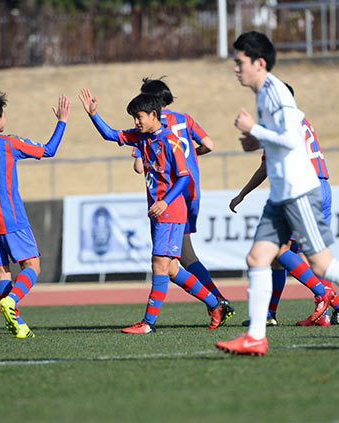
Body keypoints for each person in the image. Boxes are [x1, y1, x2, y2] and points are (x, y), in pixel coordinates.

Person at [216, 31, 339, 356]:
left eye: (240, 62)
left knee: (322, 266)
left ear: (259, 63)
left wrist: (254, 130)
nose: (236, 68)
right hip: (281, 194)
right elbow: (283, 140)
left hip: (298, 192)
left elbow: (291, 138)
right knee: (258, 258)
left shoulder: (275, 94)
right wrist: (258, 140)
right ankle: (256, 337)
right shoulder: (265, 94)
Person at [79, 82, 234, 326]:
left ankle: (148, 322)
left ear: (153, 114)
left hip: (170, 210)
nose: (135, 123)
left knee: (159, 264)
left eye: (139, 117)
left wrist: (165, 202)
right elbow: (111, 134)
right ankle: (216, 305)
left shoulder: (170, 142)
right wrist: (93, 115)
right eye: (133, 118)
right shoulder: (141, 138)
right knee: (172, 268)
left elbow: (184, 177)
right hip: (158, 210)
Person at [231, 84, 339, 327]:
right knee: (302, 255)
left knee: (277, 250)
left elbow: (266, 167)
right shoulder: (301, 119)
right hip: (322, 187)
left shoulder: (280, 123)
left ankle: (327, 297)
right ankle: (325, 310)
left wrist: (242, 194)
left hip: (303, 190)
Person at [0, 91, 69, 338]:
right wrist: (62, 121)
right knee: (32, 266)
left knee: (1, 271)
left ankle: (18, 326)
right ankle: (10, 302)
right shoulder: (7, 142)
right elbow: (48, 150)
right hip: (10, 216)